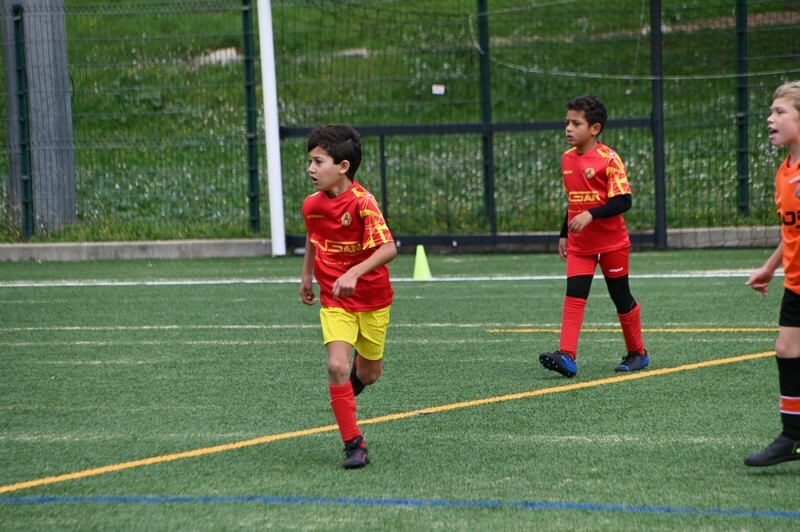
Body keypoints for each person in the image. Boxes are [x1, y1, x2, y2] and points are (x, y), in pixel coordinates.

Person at [299, 124, 397, 469]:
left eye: (318, 162)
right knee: (336, 365)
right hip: (335, 300)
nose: (311, 169)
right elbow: (314, 237)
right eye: (310, 161)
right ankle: (354, 443)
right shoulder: (311, 205)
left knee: (369, 374)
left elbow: (388, 247)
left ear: (343, 166)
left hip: (372, 300)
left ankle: (353, 382)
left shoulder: (363, 203)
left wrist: (354, 272)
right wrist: (306, 275)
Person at [539, 94, 649, 378]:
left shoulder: (608, 159)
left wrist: (590, 215)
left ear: (595, 128)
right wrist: (564, 233)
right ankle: (567, 356)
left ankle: (638, 353)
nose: (568, 128)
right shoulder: (566, 159)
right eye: (567, 122)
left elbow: (623, 201)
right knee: (574, 294)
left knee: (620, 297)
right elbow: (573, 201)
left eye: (576, 123)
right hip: (580, 245)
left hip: (612, 244)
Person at [744, 80, 800, 467]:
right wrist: (769, 267)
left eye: (780, 112)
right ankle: (792, 435)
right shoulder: (784, 173)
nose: (770, 118)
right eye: (770, 111)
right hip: (795, 282)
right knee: (786, 350)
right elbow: (790, 231)